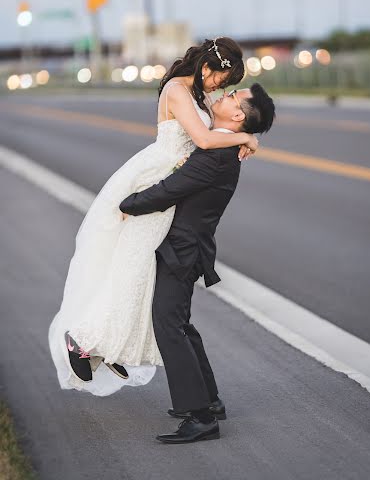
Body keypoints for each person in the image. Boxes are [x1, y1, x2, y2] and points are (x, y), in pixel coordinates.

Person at [48, 37, 259, 397]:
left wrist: (239, 135)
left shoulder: (197, 93)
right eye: (221, 80)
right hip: (155, 179)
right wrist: (249, 139)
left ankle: (110, 344)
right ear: (208, 67)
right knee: (132, 267)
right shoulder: (179, 89)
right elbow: (206, 140)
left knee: (142, 273)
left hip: (170, 183)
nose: (219, 88)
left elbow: (213, 133)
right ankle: (83, 341)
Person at [119, 83, 276, 443]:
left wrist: (126, 204)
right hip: (188, 248)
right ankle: (210, 401)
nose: (226, 94)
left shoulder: (218, 153)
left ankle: (201, 417)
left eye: (234, 97)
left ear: (237, 116)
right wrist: (249, 139)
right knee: (180, 323)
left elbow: (170, 190)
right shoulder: (224, 144)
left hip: (183, 250)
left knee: (168, 325)